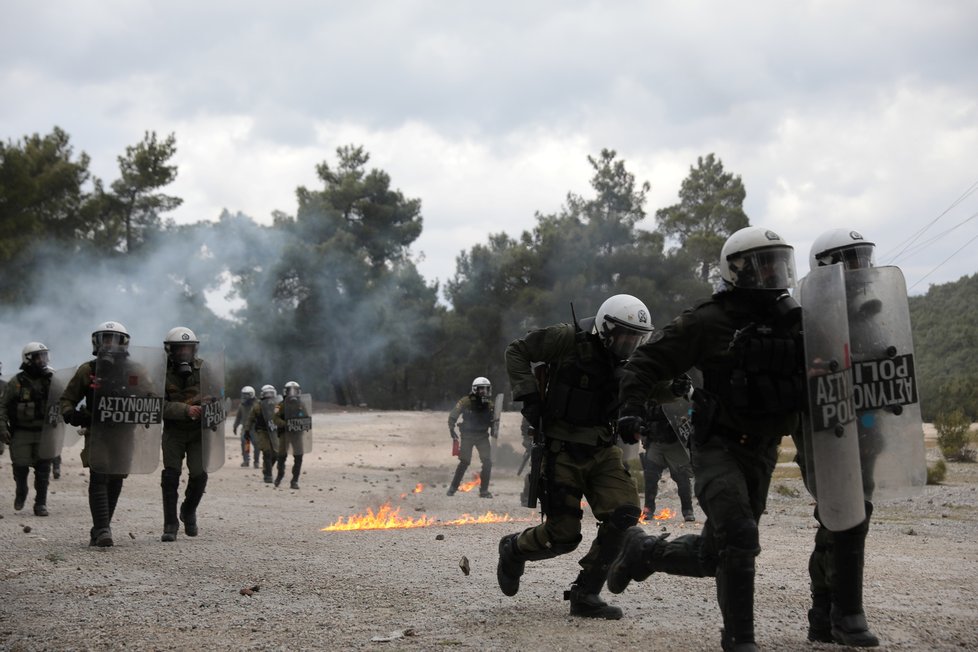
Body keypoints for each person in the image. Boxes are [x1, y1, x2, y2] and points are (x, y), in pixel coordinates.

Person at [607, 226, 804, 652]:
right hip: (719, 445)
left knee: (714, 554)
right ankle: (739, 640)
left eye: (778, 263)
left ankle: (643, 552)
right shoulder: (709, 321)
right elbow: (646, 360)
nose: (773, 273)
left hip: (765, 450)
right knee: (740, 535)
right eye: (762, 264)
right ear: (737, 270)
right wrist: (630, 409)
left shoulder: (796, 322)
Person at [496, 294, 657, 620]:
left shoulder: (630, 362)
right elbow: (517, 351)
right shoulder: (566, 339)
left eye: (636, 337)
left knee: (623, 515)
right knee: (563, 537)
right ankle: (513, 549)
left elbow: (656, 383)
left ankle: (586, 593)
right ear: (606, 327)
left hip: (602, 450)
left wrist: (674, 385)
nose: (629, 343)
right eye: (623, 334)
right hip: (561, 450)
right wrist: (527, 395)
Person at [793, 228, 882, 647]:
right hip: (825, 433)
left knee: (843, 519)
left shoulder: (868, 314)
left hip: (863, 430)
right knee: (846, 515)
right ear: (827, 268)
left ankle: (824, 612)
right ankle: (844, 614)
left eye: (864, 259)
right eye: (851, 260)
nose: (861, 268)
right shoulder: (809, 319)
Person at [60, 321, 155, 547]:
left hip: (124, 431)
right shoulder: (88, 370)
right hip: (98, 431)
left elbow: (151, 397)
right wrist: (72, 414)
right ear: (97, 341)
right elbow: (67, 398)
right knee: (99, 473)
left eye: (114, 338)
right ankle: (103, 529)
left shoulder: (136, 370)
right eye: (105, 338)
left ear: (124, 342)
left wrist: (144, 408)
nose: (109, 343)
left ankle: (100, 527)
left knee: (116, 476)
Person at [159, 327, 210, 542]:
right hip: (174, 431)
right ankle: (170, 523)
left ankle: (188, 510)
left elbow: (220, 394)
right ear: (171, 350)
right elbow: (155, 405)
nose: (184, 353)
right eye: (179, 349)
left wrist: (211, 405)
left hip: (198, 432)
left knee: (199, 474)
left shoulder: (206, 369)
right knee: (170, 476)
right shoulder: (160, 372)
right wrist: (185, 410)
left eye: (188, 348)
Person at [0, 342, 56, 516]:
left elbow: (63, 401)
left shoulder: (51, 380)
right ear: (28, 359)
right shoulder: (16, 383)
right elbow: (2, 406)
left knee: (43, 468)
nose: (42, 360)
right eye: (38, 356)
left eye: (44, 356)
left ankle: (40, 503)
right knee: (21, 466)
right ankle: (21, 490)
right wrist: (2, 428)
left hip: (44, 432)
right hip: (22, 431)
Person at [640, 400, 695, 522]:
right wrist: (643, 434)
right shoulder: (650, 396)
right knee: (650, 476)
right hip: (655, 441)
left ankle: (687, 510)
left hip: (674, 442)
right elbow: (643, 416)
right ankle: (648, 509)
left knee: (682, 477)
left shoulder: (677, 395)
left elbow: (690, 411)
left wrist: (685, 417)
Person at [447, 377, 496, 498]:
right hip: (467, 435)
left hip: (482, 436)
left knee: (487, 462)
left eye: (486, 389)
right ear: (475, 389)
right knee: (464, 461)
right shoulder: (465, 401)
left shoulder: (490, 404)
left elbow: (494, 421)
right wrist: (451, 428)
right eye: (481, 389)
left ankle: (484, 491)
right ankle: (453, 488)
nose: (484, 392)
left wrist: (495, 429)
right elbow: (454, 414)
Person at [272, 380, 307, 490]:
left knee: (299, 456)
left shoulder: (301, 405)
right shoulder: (280, 405)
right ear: (285, 392)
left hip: (297, 434)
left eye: (294, 391)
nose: (292, 393)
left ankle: (295, 480)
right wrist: (284, 424)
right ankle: (279, 475)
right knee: (281, 456)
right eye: (290, 391)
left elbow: (306, 417)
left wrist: (304, 424)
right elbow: (275, 418)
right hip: (285, 434)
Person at [244, 384, 279, 483]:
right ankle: (268, 475)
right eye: (266, 394)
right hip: (262, 432)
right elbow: (250, 419)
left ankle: (266, 469)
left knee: (276, 454)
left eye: (270, 394)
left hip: (274, 431)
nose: (268, 396)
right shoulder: (257, 406)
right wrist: (247, 430)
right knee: (267, 452)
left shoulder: (278, 405)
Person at [233, 386, 258, 468]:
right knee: (245, 443)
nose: (244, 397)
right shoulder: (242, 406)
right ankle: (246, 460)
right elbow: (238, 417)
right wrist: (235, 426)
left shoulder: (257, 405)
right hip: (245, 428)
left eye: (246, 395)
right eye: (243, 395)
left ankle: (256, 461)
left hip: (255, 428)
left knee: (257, 445)